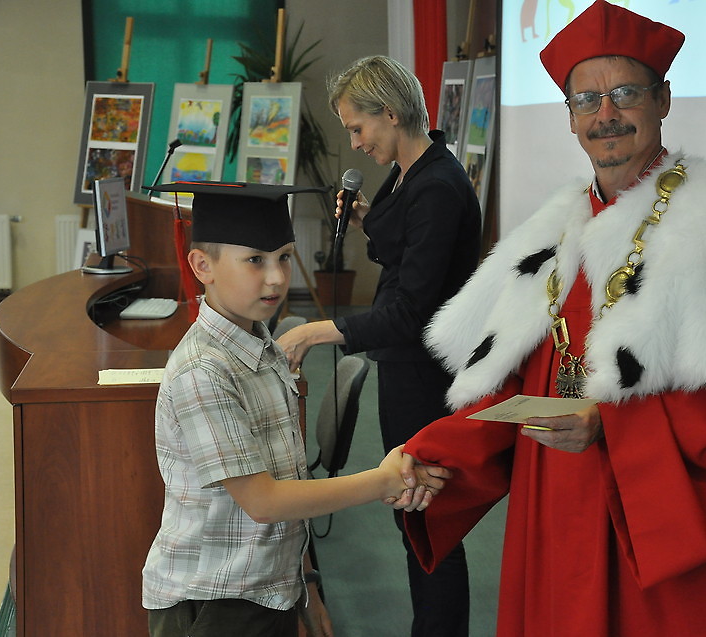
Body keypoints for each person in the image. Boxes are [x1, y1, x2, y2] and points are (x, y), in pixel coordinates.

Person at [397, 2, 706, 636]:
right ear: (570, 118)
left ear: (663, 99)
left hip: (654, 526)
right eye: (586, 100)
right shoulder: (554, 233)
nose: (606, 114)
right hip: (556, 501)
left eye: (624, 93)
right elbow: (518, 384)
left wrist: (612, 424)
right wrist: (427, 456)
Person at [141, 181, 449, 637]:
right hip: (213, 602)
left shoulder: (262, 345)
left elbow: (288, 478)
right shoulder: (203, 370)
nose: (276, 278)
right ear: (202, 266)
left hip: (269, 588)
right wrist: (384, 480)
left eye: (284, 257)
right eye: (255, 260)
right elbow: (264, 502)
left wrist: (308, 585)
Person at [275, 56, 481, 637]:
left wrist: (316, 331)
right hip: (406, 369)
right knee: (413, 517)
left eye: (357, 127)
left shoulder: (437, 186)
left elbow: (410, 312)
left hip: (425, 374)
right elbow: (405, 250)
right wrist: (369, 218)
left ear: (390, 113)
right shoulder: (411, 172)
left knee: (428, 519)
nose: (355, 143)